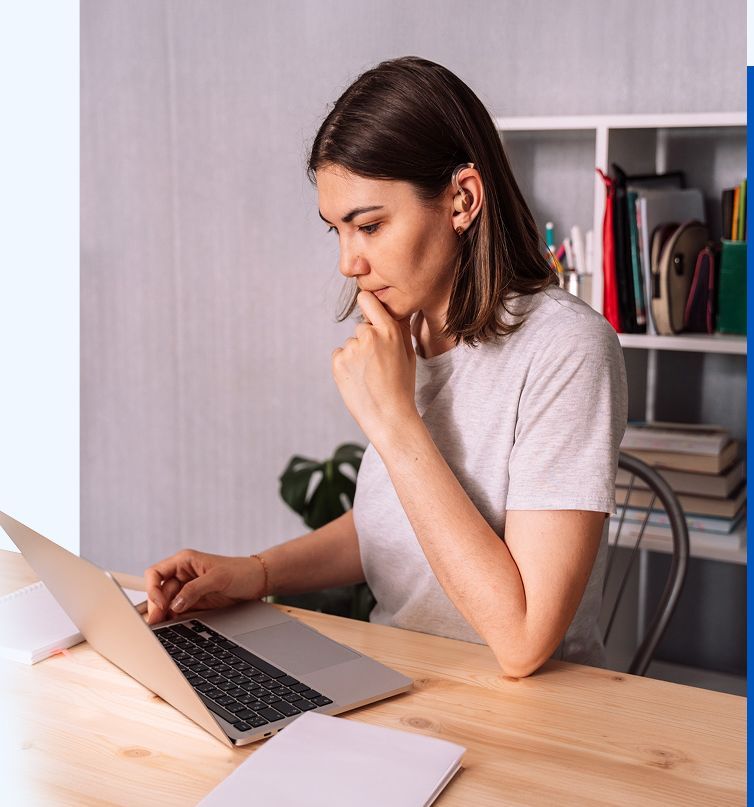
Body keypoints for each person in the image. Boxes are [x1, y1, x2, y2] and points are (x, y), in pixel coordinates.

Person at [146, 57, 627, 677]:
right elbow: (402, 522)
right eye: (336, 231)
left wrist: (396, 420)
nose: (349, 262)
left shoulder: (567, 350)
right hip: (399, 674)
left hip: (530, 711)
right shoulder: (409, 327)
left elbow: (524, 639)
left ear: (462, 200)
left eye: (369, 226)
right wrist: (256, 573)